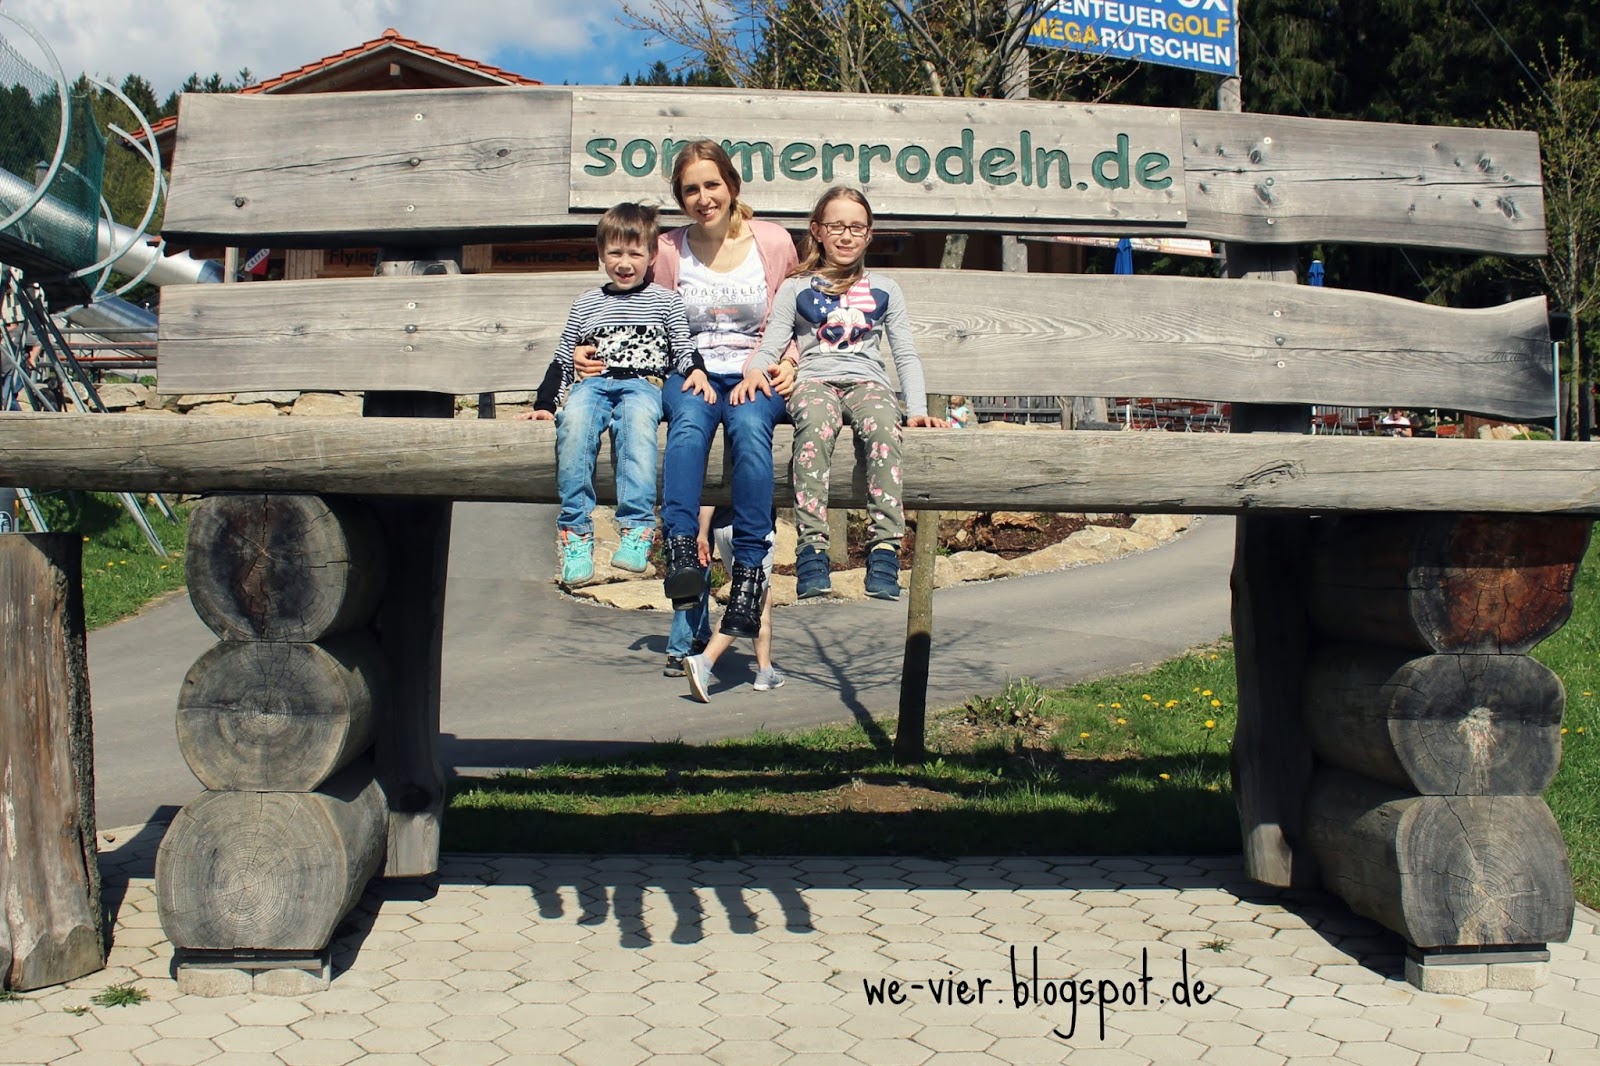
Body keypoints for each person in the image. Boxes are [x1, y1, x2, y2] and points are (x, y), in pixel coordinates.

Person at [576, 140, 799, 648]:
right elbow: (633, 309)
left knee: (747, 429)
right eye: (690, 189)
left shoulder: (775, 242)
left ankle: (748, 571)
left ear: (732, 186)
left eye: (711, 185)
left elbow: (796, 313)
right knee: (690, 426)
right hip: (689, 369)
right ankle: (679, 551)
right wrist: (588, 353)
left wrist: (786, 363)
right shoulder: (670, 249)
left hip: (755, 371)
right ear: (680, 197)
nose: (703, 197)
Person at [746, 185, 946, 602]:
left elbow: (905, 352)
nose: (846, 235)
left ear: (869, 234)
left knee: (885, 429)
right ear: (817, 230)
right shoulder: (795, 288)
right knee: (815, 427)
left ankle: (885, 548)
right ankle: (812, 550)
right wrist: (754, 373)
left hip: (868, 382)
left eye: (856, 227)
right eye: (836, 225)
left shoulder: (885, 288)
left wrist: (917, 410)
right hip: (813, 382)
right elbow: (771, 344)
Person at [518, 202, 705, 586]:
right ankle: (576, 534)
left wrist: (696, 371)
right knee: (573, 424)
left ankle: (636, 531)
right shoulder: (587, 302)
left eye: (635, 253)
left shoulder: (665, 301)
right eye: (616, 252)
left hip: (642, 384)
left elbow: (683, 348)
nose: (625, 262)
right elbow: (563, 359)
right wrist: (543, 405)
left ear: (651, 255)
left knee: (637, 429)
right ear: (601, 253)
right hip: (592, 385)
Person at [682, 505, 783, 700]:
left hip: (722, 529)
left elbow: (709, 499)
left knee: (761, 597)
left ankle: (765, 670)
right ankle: (705, 661)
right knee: (745, 601)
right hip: (754, 530)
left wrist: (702, 533)